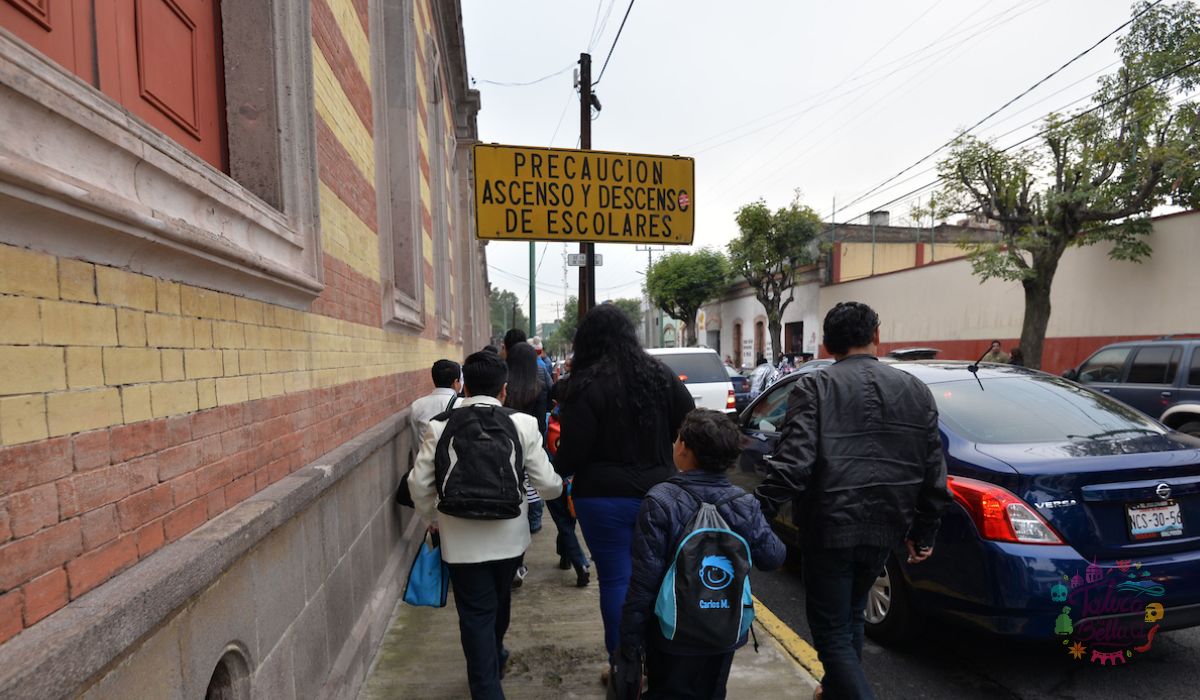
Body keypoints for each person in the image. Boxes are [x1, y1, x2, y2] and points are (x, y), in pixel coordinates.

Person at [754, 302, 952, 700]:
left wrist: (755, 513)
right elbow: (934, 472)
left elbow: (794, 465)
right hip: (887, 527)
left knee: (832, 634)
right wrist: (923, 532)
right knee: (851, 619)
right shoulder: (915, 390)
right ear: (876, 336)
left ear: (826, 345)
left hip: (829, 527)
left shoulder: (815, 387)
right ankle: (834, 690)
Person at [410, 351, 563, 699]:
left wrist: (433, 519)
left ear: (463, 388)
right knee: (499, 603)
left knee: (475, 613)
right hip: (510, 538)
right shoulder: (523, 423)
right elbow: (550, 486)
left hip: (459, 540)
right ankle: (494, 660)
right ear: (504, 390)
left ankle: (487, 680)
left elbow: (418, 485)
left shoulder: (439, 425)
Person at [554, 304, 694, 681]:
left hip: (602, 499)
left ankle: (623, 665)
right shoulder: (660, 375)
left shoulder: (586, 384)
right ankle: (661, 661)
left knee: (616, 580)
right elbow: (690, 421)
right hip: (660, 494)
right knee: (661, 576)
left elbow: (570, 455)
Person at [620, 409, 786, 699]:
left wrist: (631, 637)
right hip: (724, 626)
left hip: (671, 631)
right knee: (713, 691)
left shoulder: (661, 499)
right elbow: (773, 557)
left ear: (683, 448)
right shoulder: (742, 502)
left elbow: (645, 579)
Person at [503, 342, 550, 587]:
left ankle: (511, 561)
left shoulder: (505, 387)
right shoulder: (538, 387)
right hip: (529, 443)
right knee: (525, 497)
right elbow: (541, 422)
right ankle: (518, 562)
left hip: (502, 447)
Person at [407, 359, 461, 461]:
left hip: (426, 466)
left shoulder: (417, 405)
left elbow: (416, 442)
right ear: (455, 383)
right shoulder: (463, 404)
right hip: (452, 470)